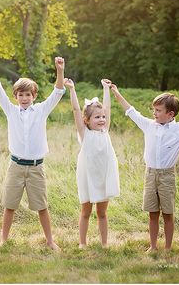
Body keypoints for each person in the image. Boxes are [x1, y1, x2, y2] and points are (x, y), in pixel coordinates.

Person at [109, 82, 179, 251]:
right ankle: (153, 247)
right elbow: (131, 111)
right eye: (154, 110)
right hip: (150, 174)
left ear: (170, 114)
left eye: (158, 110)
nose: (154, 113)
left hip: (167, 176)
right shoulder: (149, 125)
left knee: (168, 214)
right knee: (152, 213)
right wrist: (116, 92)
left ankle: (168, 248)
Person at [0, 56, 65, 250]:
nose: (24, 98)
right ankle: (3, 239)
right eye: (20, 95)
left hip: (36, 167)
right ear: (16, 97)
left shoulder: (42, 110)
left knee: (42, 207)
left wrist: (59, 70)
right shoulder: (11, 111)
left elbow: (58, 92)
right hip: (16, 166)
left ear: (34, 96)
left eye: (28, 95)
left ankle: (50, 241)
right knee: (9, 206)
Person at [64, 78, 120, 249]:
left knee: (102, 213)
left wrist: (106, 88)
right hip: (88, 177)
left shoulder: (105, 131)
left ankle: (104, 243)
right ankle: (82, 242)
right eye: (97, 117)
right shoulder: (84, 134)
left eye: (103, 117)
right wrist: (72, 89)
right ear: (86, 120)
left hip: (103, 177)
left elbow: (108, 108)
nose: (102, 119)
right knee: (86, 212)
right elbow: (75, 109)